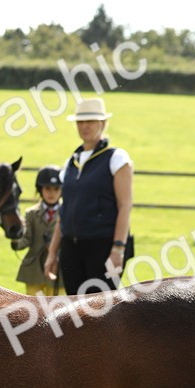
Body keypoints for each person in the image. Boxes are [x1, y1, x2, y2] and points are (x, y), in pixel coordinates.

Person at [43, 97, 134, 296]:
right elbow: (64, 211)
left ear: (103, 123)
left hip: (103, 245)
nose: (84, 126)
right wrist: (52, 252)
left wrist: (118, 249)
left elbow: (125, 205)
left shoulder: (117, 158)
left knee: (99, 307)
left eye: (90, 121)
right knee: (74, 307)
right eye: (80, 122)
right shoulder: (70, 162)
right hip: (71, 247)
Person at [11, 165, 63, 296]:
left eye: (56, 189)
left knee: (58, 304)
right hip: (34, 270)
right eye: (47, 189)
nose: (52, 193)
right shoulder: (31, 213)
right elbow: (26, 239)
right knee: (34, 305)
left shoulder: (67, 213)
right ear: (40, 189)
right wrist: (16, 240)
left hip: (58, 270)